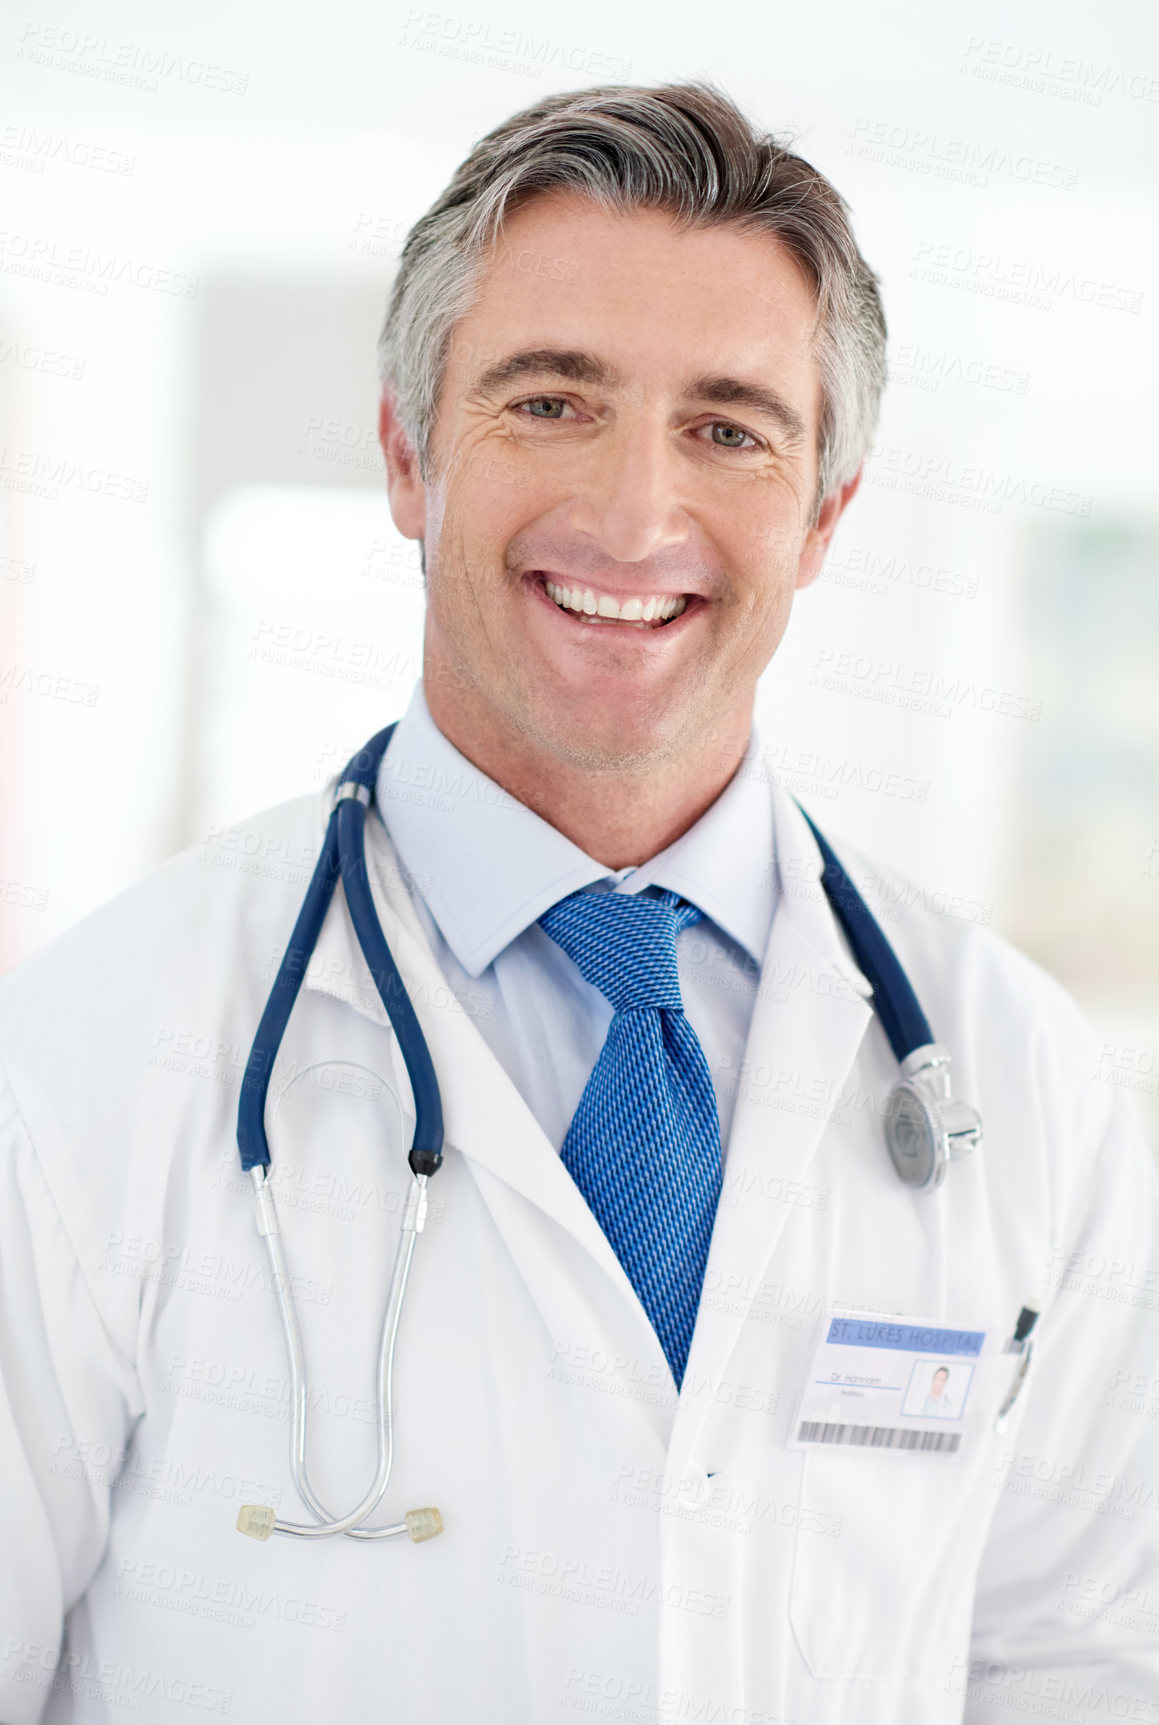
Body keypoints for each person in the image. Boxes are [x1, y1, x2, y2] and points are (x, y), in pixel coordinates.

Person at [1, 81, 1156, 1725]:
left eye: (730, 427)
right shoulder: (88, 1064)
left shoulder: (1019, 1084)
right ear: (408, 456)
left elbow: (1082, 1673)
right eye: (551, 402)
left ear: (825, 515)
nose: (634, 515)